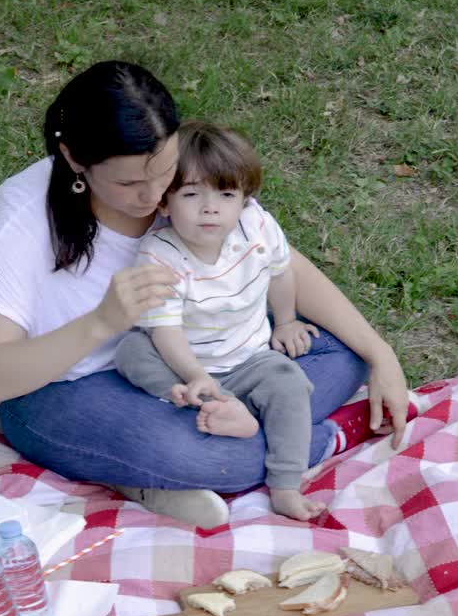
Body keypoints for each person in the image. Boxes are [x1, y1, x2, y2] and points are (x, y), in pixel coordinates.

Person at [0, 59, 409, 530]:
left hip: (203, 352)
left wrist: (382, 355)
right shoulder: (23, 219)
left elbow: (279, 261)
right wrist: (102, 321)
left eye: (165, 171)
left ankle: (231, 437)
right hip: (69, 387)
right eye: (131, 183)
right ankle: (299, 439)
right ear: (75, 160)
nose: (157, 195)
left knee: (341, 349)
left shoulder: (187, 184)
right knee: (215, 457)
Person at [114, 122, 325, 522]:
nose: (210, 207)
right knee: (131, 351)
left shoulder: (257, 227)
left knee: (291, 383)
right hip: (182, 360)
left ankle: (284, 485)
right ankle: (216, 403)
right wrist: (196, 376)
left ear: (245, 200)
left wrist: (286, 321)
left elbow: (280, 273)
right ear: (164, 203)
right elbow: (165, 330)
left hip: (246, 355)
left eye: (226, 195)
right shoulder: (159, 254)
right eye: (191, 194)